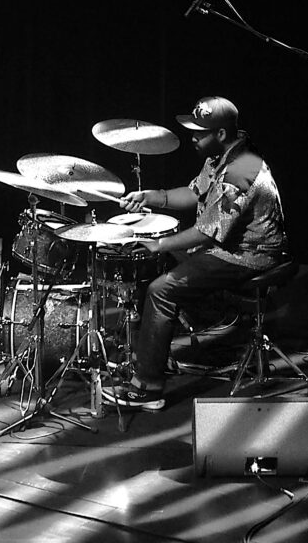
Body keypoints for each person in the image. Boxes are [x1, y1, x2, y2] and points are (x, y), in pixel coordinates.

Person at [103, 96, 287, 410]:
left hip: (250, 256)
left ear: (221, 133)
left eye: (199, 133)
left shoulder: (243, 169)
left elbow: (207, 231)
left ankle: (148, 388)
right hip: (225, 246)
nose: (192, 137)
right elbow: (194, 193)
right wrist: (151, 197)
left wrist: (160, 243)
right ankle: (156, 353)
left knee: (161, 290)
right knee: (161, 260)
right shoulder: (220, 155)